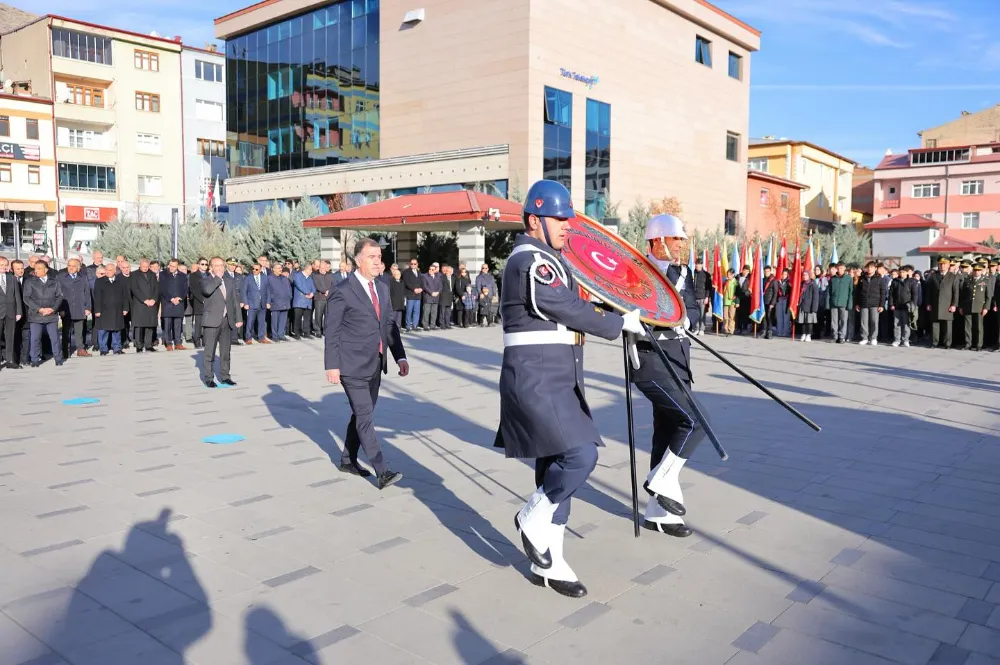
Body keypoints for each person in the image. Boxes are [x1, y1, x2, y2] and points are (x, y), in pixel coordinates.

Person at [495, 180, 645, 599]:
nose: (567, 226)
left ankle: (550, 563)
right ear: (534, 220)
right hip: (538, 379)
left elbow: (576, 305)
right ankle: (532, 518)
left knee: (554, 466)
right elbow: (563, 307)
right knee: (581, 454)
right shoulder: (530, 260)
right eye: (559, 218)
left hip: (557, 375)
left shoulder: (552, 259)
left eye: (568, 218)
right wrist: (618, 325)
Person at [628, 213, 706, 539]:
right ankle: (661, 483)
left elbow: (694, 308)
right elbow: (630, 314)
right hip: (650, 359)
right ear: (658, 239)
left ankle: (658, 513)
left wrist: (684, 317)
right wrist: (664, 320)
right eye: (675, 239)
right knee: (696, 422)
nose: (680, 246)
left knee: (668, 429)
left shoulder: (680, 272)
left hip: (678, 359)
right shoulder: (635, 272)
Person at [325, 238, 408, 490]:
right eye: (372, 256)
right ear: (358, 260)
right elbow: (332, 330)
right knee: (364, 417)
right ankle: (382, 471)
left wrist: (400, 356)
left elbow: (390, 326)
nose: (377, 261)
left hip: (375, 364)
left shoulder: (382, 288)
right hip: (351, 366)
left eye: (379, 257)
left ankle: (348, 460)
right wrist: (331, 365)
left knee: (364, 414)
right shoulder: (342, 290)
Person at [199, 257, 242, 388]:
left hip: (227, 321)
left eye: (222, 266)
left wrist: (238, 318)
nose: (220, 268)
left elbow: (234, 300)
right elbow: (207, 291)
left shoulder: (229, 281)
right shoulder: (206, 280)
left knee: (225, 352)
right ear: (211, 267)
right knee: (209, 352)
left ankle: (225, 376)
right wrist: (217, 278)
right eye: (216, 266)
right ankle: (209, 378)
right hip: (212, 321)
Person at [23, 260, 65, 367]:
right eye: (35, 269)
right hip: (36, 315)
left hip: (51, 314)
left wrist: (53, 309)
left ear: (46, 270)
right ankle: (35, 359)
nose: (36, 271)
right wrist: (39, 309)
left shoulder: (54, 282)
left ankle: (58, 358)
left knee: (54, 338)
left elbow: (59, 296)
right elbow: (27, 298)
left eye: (39, 268)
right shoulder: (30, 282)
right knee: (35, 338)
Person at [57, 258, 92, 358]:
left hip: (80, 308)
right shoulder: (61, 277)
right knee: (66, 331)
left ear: (78, 268)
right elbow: (59, 295)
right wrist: (61, 309)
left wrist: (87, 307)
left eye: (73, 266)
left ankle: (80, 349)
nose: (71, 268)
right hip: (66, 309)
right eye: (69, 266)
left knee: (79, 331)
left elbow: (87, 293)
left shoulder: (83, 277)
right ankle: (65, 351)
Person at [926, 257, 960, 349]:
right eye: (941, 264)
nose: (942, 266)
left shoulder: (953, 276)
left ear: (949, 265)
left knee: (948, 326)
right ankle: (935, 342)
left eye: (945, 264)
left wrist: (954, 304)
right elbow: (929, 291)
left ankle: (947, 343)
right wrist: (928, 303)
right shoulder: (933, 276)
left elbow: (955, 292)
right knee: (935, 325)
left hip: (947, 304)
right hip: (935, 304)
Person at [129, 258, 159, 353]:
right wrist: (145, 300)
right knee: (139, 326)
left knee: (150, 325)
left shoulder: (152, 274)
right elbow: (135, 289)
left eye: (147, 266)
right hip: (140, 304)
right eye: (143, 266)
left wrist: (154, 299)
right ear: (140, 265)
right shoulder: (134, 274)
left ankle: (148, 345)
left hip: (151, 303)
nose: (145, 268)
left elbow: (156, 288)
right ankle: (139, 345)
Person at [960, 262, 991, 351]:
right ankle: (968, 343)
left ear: (981, 271)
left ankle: (979, 345)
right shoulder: (968, 281)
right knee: (967, 327)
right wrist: (961, 307)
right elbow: (963, 295)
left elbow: (988, 296)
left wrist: (986, 307)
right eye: (975, 270)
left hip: (979, 307)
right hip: (967, 306)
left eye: (978, 270)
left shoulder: (985, 281)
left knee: (979, 327)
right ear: (973, 271)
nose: (976, 272)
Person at [160, 258, 188, 351]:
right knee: (167, 324)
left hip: (179, 303)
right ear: (169, 265)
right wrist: (171, 298)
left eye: (174, 266)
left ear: (177, 267)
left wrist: (180, 298)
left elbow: (185, 289)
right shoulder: (163, 274)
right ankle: (168, 343)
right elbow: (162, 288)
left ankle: (178, 343)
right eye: (171, 266)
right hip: (167, 303)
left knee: (178, 324)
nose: (172, 268)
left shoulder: (183, 276)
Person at [855, 262, 885, 346]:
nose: (869, 269)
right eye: (868, 267)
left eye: (871, 267)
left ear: (875, 268)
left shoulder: (879, 278)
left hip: (875, 303)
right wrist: (857, 303)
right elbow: (858, 292)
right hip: (864, 303)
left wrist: (881, 305)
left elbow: (883, 293)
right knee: (864, 321)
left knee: (874, 321)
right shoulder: (862, 278)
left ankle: (873, 338)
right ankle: (864, 338)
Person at [0, 257, 22, 370]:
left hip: (11, 312)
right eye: (1, 265)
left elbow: (17, 296)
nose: (4, 267)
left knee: (10, 337)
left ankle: (10, 360)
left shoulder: (12, 278)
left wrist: (18, 312)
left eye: (5, 265)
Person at [889, 265, 918, 348]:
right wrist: (891, 304)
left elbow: (915, 294)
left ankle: (905, 340)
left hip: (907, 306)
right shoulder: (895, 281)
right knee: (896, 324)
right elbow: (891, 294)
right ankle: (897, 340)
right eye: (900, 272)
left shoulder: (911, 281)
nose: (902, 274)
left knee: (906, 324)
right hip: (897, 306)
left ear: (907, 272)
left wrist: (913, 304)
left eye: (903, 272)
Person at [243, 262, 270, 344]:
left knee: (261, 322)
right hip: (251, 303)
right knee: (250, 321)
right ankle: (248, 338)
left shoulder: (265, 278)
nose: (254, 270)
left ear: (261, 269)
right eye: (253, 269)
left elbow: (268, 290)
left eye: (256, 269)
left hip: (262, 303)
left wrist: (268, 302)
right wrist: (245, 303)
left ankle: (261, 337)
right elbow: (244, 291)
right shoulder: (248, 278)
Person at [266, 263, 292, 341]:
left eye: (281, 268)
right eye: (278, 268)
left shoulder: (284, 278)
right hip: (275, 302)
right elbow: (267, 291)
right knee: (275, 320)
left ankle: (281, 335)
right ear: (273, 269)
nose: (280, 269)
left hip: (285, 302)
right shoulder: (269, 278)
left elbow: (289, 289)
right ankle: (275, 336)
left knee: (283, 320)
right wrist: (269, 301)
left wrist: (289, 296)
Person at [828, 262, 853, 344]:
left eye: (841, 268)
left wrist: (849, 304)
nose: (840, 270)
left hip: (844, 303)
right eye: (838, 268)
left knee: (843, 320)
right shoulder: (832, 279)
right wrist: (828, 303)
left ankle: (841, 337)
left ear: (845, 268)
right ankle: (834, 336)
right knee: (834, 321)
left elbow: (850, 292)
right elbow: (829, 292)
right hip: (834, 302)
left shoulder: (849, 279)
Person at [291, 262, 316, 338]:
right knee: (297, 318)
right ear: (306, 269)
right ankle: (297, 333)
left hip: (308, 301)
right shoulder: (297, 276)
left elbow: (313, 288)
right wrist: (308, 293)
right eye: (310, 270)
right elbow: (300, 286)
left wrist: (312, 293)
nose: (311, 271)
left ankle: (306, 333)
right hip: (299, 301)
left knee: (307, 318)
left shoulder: (310, 278)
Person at [189, 258, 208, 348]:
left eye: (206, 264)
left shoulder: (209, 275)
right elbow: (194, 289)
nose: (204, 266)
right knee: (198, 323)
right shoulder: (193, 275)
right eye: (202, 264)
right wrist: (202, 299)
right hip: (199, 302)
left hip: (209, 303)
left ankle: (205, 341)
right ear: (198, 265)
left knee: (207, 324)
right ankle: (197, 341)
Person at [797, 269, 819, 342]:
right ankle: (803, 334)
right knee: (803, 321)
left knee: (809, 321)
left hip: (810, 306)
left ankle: (809, 334)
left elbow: (815, 297)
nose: (804, 276)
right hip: (802, 305)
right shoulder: (802, 284)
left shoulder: (813, 284)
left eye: (806, 275)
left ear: (809, 276)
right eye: (803, 275)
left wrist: (814, 308)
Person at [312, 260, 333, 335]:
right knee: (318, 315)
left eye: (323, 267)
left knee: (327, 315)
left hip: (328, 298)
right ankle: (318, 331)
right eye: (320, 267)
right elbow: (317, 285)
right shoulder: (315, 275)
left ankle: (326, 331)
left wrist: (329, 291)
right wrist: (325, 291)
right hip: (319, 298)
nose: (322, 269)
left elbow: (333, 284)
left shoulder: (330, 275)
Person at [401, 259, 423, 332]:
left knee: (417, 311)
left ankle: (415, 325)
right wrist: (414, 289)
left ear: (417, 264)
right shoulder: (406, 272)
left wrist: (421, 288)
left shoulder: (419, 272)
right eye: (412, 264)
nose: (413, 265)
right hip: (410, 294)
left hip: (418, 295)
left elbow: (422, 282)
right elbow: (406, 282)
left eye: (415, 264)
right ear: (410, 264)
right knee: (409, 311)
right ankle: (408, 326)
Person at [420, 263, 442, 330]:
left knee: (434, 312)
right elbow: (424, 286)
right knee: (426, 312)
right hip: (428, 296)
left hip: (436, 297)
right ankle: (425, 325)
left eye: (432, 269)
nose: (431, 270)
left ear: (435, 270)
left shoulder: (438, 277)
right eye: (430, 269)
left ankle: (432, 325)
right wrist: (431, 293)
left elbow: (440, 286)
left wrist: (438, 292)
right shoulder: (424, 276)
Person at [388, 265, 405, 330]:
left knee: (399, 317)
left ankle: (398, 328)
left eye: (399, 274)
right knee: (393, 317)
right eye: (396, 274)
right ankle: (392, 329)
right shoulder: (391, 282)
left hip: (400, 303)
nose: (398, 275)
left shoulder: (402, 282)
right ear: (394, 275)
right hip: (394, 303)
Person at [762, 265, 777, 339]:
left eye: (767, 271)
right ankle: (764, 331)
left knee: (769, 317)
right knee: (764, 317)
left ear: (770, 271)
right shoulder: (763, 280)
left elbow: (775, 293)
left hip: (770, 302)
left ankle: (770, 332)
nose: (766, 272)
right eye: (765, 271)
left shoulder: (774, 280)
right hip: (763, 301)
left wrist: (772, 303)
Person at [722, 269, 737, 336]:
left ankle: (731, 330)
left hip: (732, 302)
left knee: (731, 316)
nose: (728, 276)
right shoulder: (726, 282)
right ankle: (726, 329)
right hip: (725, 301)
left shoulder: (735, 282)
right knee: (725, 316)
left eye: (730, 274)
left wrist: (737, 302)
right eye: (727, 274)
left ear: (733, 274)